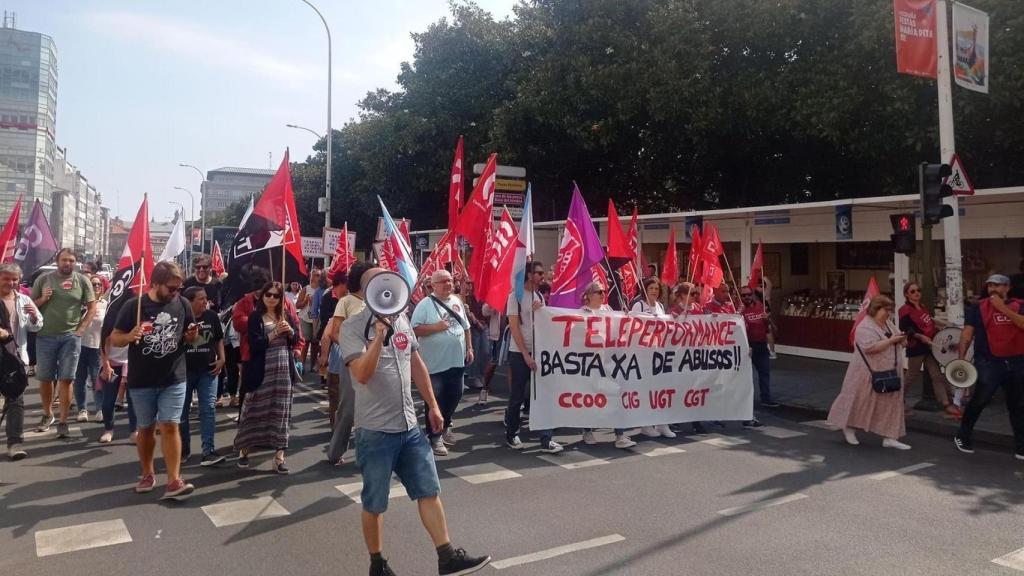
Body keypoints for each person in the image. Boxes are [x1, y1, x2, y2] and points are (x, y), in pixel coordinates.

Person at [340, 266, 491, 576]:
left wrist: (433, 406)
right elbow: (362, 374)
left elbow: (416, 362)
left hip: (409, 427)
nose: (386, 289)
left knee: (429, 491)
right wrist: (379, 336)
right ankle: (377, 563)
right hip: (375, 431)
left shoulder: (402, 320)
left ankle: (446, 556)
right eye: (376, 282)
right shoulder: (352, 328)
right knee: (375, 502)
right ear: (363, 291)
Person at [111, 261, 198, 499]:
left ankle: (174, 480)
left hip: (174, 377)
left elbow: (191, 337)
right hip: (142, 380)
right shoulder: (134, 306)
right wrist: (129, 335)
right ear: (156, 284)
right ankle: (148, 473)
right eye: (171, 288)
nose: (175, 292)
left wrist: (192, 336)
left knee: (170, 425)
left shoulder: (182, 304)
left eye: (178, 288)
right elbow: (114, 339)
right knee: (146, 429)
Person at [953, 274, 1024, 459]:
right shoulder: (978, 307)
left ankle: (1021, 445)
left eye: (998, 285)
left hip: (1016, 361)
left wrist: (1002, 309)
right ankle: (963, 435)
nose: (993, 289)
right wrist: (962, 361)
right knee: (980, 400)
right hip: (988, 361)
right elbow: (967, 333)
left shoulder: (1020, 305)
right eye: (990, 285)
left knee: (1017, 404)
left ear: (1007, 288)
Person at [827, 295, 911, 450]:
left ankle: (890, 437)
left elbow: (898, 338)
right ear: (876, 309)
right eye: (886, 310)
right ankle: (849, 428)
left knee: (891, 404)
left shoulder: (888, 324)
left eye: (890, 310)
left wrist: (902, 339)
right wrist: (892, 340)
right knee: (860, 401)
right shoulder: (864, 327)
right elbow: (870, 348)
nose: (889, 313)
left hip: (890, 372)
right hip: (868, 374)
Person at [234, 281, 299, 474]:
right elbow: (256, 344)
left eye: (276, 296)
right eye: (268, 294)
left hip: (282, 370)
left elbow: (295, 340)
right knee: (254, 408)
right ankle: (245, 449)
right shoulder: (255, 317)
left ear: (281, 299)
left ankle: (279, 455)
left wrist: (291, 332)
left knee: (281, 411)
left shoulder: (285, 315)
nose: (271, 298)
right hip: (261, 368)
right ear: (262, 296)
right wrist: (275, 332)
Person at [32, 248, 97, 438]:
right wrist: (43, 298)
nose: (67, 263)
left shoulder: (82, 281)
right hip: (45, 336)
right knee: (45, 378)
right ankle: (47, 414)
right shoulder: (43, 279)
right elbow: (29, 306)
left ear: (75, 262)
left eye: (71, 260)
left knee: (66, 379)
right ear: (57, 261)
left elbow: (92, 307)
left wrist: (81, 329)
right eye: (64, 260)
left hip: (71, 337)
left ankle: (63, 420)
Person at [411, 270, 473, 457]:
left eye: (450, 280)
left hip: (456, 359)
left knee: (456, 394)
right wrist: (436, 328)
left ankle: (445, 424)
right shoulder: (424, 305)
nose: (448, 284)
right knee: (434, 399)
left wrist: (469, 348)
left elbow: (466, 326)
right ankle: (435, 435)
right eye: (443, 281)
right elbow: (414, 330)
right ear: (433, 285)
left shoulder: (456, 302)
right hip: (434, 363)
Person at [505, 261, 562, 453]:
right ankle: (512, 432)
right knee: (517, 395)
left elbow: (544, 324)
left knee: (544, 394)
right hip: (519, 352)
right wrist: (525, 354)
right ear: (529, 275)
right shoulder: (515, 297)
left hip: (539, 351)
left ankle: (546, 438)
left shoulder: (539, 296)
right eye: (538, 273)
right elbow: (514, 328)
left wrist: (540, 311)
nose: (542, 276)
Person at [579, 282, 636, 449]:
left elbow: (618, 328)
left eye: (603, 291)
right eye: (598, 292)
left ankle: (620, 435)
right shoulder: (581, 312)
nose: (602, 294)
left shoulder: (608, 310)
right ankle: (587, 431)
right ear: (588, 296)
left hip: (608, 362)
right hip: (589, 363)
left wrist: (625, 317)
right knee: (589, 397)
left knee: (615, 395)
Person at [898, 282, 959, 419]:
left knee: (937, 375)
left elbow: (929, 322)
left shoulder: (923, 307)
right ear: (906, 294)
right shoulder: (904, 310)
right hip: (916, 346)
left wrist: (942, 327)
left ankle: (946, 404)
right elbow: (905, 329)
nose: (916, 293)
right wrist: (920, 336)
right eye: (912, 291)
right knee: (911, 376)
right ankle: (897, 401)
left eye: (918, 290)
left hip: (930, 345)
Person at [0, 264, 43, 460]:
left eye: (14, 279)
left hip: (16, 358)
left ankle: (14, 443)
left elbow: (37, 326)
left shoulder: (24, 300)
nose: (10, 283)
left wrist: (34, 316)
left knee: (16, 400)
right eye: (6, 278)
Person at [180, 286, 226, 466]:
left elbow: (218, 339)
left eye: (206, 298)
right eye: (201, 299)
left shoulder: (211, 316)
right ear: (189, 301)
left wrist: (222, 358)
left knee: (208, 410)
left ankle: (208, 451)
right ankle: (184, 449)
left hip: (209, 371)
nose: (205, 301)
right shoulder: (181, 318)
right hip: (185, 372)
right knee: (181, 413)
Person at [322, 267, 364, 467]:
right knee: (347, 408)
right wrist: (354, 349)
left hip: (380, 361)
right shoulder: (345, 302)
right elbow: (335, 333)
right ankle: (336, 451)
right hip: (354, 361)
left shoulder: (382, 300)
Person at [631, 277, 675, 438]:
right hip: (643, 354)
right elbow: (631, 327)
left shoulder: (661, 306)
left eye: (657, 289)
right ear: (645, 290)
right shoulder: (639, 305)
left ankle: (662, 424)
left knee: (661, 389)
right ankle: (646, 424)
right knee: (646, 390)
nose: (654, 291)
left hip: (659, 353)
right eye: (651, 288)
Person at [98, 292, 136, 444]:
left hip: (132, 364)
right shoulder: (110, 320)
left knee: (133, 400)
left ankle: (134, 431)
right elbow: (103, 343)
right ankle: (108, 429)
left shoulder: (137, 318)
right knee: (108, 401)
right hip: (113, 364)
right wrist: (106, 364)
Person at [73, 275, 108, 422]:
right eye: (93, 285)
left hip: (97, 347)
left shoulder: (106, 305)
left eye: (99, 285)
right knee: (79, 379)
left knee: (97, 379)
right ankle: (82, 409)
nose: (96, 287)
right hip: (79, 345)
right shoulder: (79, 304)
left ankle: (99, 409)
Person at [740, 286, 778, 410]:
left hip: (761, 344)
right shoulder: (739, 309)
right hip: (747, 346)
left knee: (764, 372)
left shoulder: (759, 306)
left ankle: (766, 398)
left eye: (748, 294)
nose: (746, 297)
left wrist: (767, 321)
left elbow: (769, 327)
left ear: (752, 295)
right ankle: (744, 400)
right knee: (745, 375)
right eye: (743, 295)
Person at [461, 279, 488, 392]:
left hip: (484, 326)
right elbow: (468, 313)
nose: (470, 286)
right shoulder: (467, 297)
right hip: (474, 327)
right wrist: (475, 321)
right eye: (468, 283)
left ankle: (481, 375)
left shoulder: (484, 296)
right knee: (475, 351)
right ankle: (473, 376)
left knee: (485, 352)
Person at [478, 299, 503, 405]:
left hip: (514, 336)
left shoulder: (519, 294)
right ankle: (484, 389)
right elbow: (485, 311)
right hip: (498, 336)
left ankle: (516, 398)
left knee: (513, 367)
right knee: (492, 363)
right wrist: (495, 303)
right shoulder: (498, 294)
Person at [297, 268, 322, 368]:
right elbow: (298, 305)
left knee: (315, 342)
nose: (318, 277)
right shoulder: (306, 289)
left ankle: (313, 364)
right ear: (311, 276)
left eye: (319, 275)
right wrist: (305, 301)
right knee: (306, 341)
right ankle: (302, 364)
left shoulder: (321, 290)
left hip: (316, 319)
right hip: (305, 319)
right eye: (316, 275)